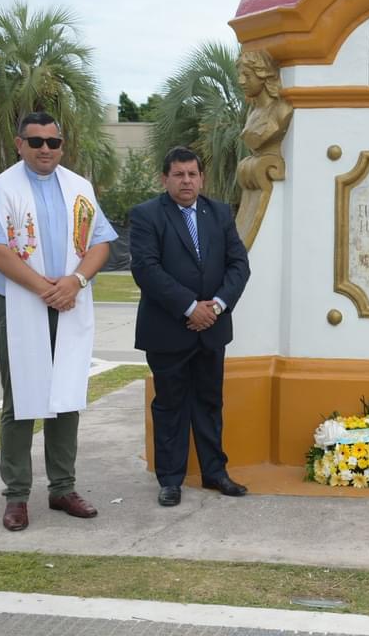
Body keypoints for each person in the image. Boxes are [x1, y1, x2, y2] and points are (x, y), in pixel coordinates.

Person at [0, 111, 117, 531]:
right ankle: (16, 495)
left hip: (69, 303)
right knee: (21, 401)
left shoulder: (79, 188)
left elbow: (102, 241)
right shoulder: (2, 189)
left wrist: (75, 280)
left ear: (62, 145)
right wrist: (43, 288)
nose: (45, 150)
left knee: (66, 396)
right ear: (20, 144)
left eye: (53, 142)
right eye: (36, 142)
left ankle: (62, 488)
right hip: (22, 305)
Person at [130, 146, 251, 507]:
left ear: (202, 178)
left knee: (210, 402)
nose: (186, 180)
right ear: (165, 178)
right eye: (179, 174)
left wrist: (215, 306)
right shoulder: (146, 215)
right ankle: (170, 480)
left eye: (192, 174)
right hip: (167, 331)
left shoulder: (219, 213)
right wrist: (188, 307)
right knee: (170, 405)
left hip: (212, 327)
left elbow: (238, 266)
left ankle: (215, 472)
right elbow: (146, 270)